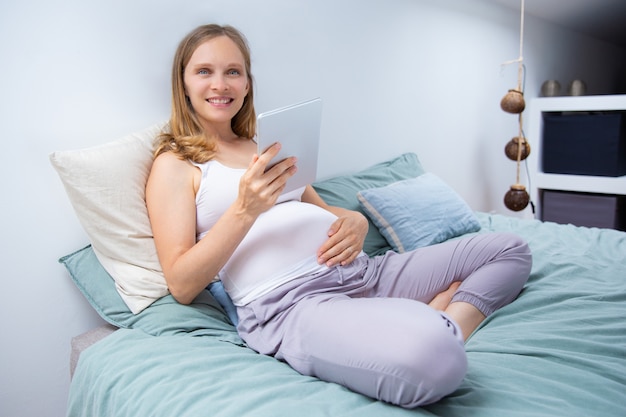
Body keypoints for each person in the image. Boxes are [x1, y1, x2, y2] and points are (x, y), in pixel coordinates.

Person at [145, 23, 532, 408]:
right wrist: (244, 210)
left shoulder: (266, 146)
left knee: (510, 250)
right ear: (183, 84)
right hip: (294, 304)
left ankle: (448, 321)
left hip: (364, 273)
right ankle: (433, 321)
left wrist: (356, 221)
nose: (220, 84)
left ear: (247, 84)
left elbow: (325, 212)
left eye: (233, 71)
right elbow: (181, 283)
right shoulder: (176, 164)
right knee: (435, 361)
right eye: (204, 71)